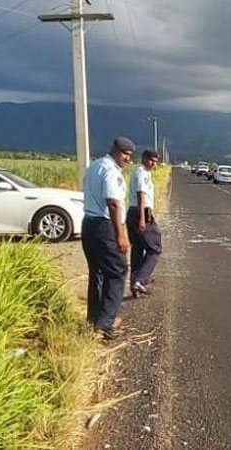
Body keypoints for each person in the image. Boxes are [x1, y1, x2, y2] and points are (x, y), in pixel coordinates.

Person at [81, 137, 134, 340]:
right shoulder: (111, 172)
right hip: (104, 226)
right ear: (115, 151)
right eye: (124, 155)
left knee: (98, 273)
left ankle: (94, 320)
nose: (127, 159)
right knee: (118, 271)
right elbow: (113, 204)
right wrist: (120, 235)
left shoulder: (95, 166)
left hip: (89, 224)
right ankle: (105, 325)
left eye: (129, 156)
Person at [127, 149, 161, 297]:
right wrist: (142, 218)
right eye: (151, 160)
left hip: (133, 212)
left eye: (156, 161)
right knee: (155, 248)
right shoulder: (142, 173)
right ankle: (140, 280)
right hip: (141, 213)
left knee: (138, 249)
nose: (154, 163)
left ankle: (134, 281)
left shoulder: (140, 172)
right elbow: (141, 195)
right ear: (144, 159)